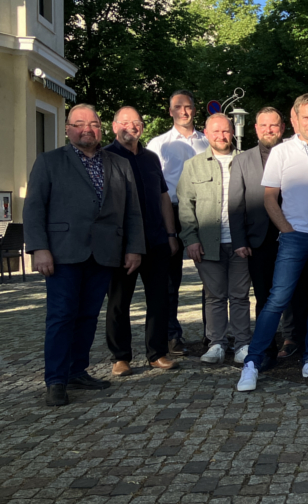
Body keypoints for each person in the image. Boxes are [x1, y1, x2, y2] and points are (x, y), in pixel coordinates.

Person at [24, 104, 145, 406]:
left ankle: (77, 370)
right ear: (67, 129)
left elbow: (132, 211)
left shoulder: (119, 164)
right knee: (61, 316)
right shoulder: (49, 162)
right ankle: (56, 380)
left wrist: (133, 248)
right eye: (79, 124)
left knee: (89, 315)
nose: (87, 129)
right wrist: (39, 248)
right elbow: (35, 207)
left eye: (93, 124)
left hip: (104, 252)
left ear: (101, 129)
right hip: (63, 252)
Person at [236, 94, 308, 391]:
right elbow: (269, 197)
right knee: (277, 300)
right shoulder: (282, 152)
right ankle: (253, 362)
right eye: (307, 117)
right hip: (294, 237)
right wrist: (286, 230)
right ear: (295, 119)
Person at [228, 107, 308, 365]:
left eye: (273, 125)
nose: (268, 130)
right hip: (259, 241)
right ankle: (266, 351)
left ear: (282, 127)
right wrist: (239, 241)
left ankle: (298, 344)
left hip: (295, 236)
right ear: (255, 128)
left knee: (298, 295)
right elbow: (235, 204)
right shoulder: (242, 160)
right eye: (263, 126)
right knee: (264, 297)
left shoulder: (295, 154)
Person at [103, 106, 180, 376]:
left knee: (159, 299)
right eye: (125, 122)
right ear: (114, 127)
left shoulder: (150, 158)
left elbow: (163, 197)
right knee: (118, 301)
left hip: (156, 240)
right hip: (121, 244)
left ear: (142, 128)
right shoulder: (105, 157)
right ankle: (120, 357)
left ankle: (156, 353)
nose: (131, 127)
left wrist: (171, 235)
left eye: (136, 122)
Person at [178, 114, 252, 365]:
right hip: (208, 244)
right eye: (216, 131)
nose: (221, 136)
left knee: (240, 296)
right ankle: (217, 343)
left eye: (225, 131)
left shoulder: (245, 162)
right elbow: (186, 207)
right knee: (215, 296)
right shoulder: (193, 165)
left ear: (232, 132)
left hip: (240, 243)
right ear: (206, 134)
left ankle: (242, 344)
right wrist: (191, 240)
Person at [146, 90, 209, 356]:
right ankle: (172, 335)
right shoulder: (157, 144)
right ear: (170, 111)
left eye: (188, 107)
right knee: (169, 280)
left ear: (195, 109)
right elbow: (153, 186)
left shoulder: (208, 142)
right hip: (169, 211)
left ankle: (212, 335)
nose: (184, 111)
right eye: (178, 107)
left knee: (211, 276)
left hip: (204, 212)